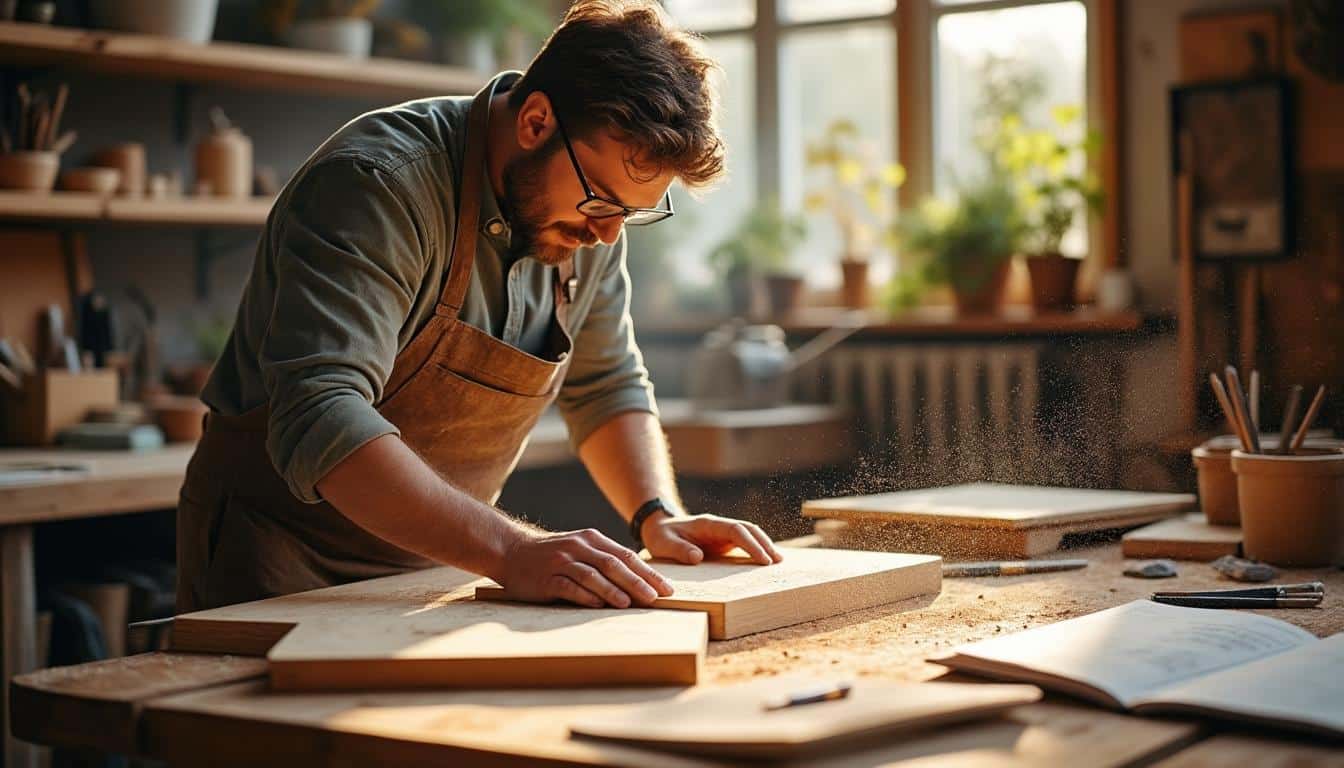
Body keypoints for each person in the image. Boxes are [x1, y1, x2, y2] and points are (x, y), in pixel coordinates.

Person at [177, 0, 782, 614]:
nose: (607, 235)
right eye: (602, 203)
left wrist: (657, 514)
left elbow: (605, 384)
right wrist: (511, 550)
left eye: (632, 212)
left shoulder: (587, 220)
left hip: (442, 558)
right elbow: (322, 415)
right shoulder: (377, 186)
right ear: (536, 122)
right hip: (279, 561)